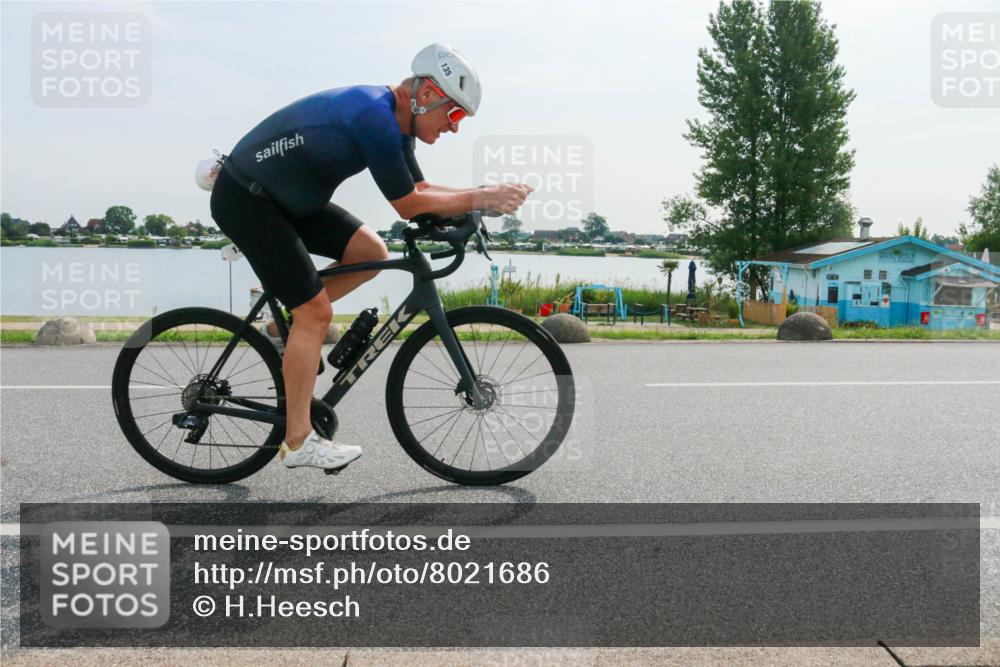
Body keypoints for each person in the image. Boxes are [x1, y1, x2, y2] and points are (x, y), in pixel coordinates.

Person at [209, 43, 532, 472]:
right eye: (454, 115)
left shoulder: (395, 126)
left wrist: (474, 206)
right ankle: (298, 442)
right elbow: (408, 204)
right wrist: (481, 196)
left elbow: (423, 190)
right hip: (248, 199)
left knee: (370, 251)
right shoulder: (373, 117)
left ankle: (276, 331)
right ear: (429, 95)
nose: (455, 129)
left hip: (286, 200)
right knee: (314, 314)